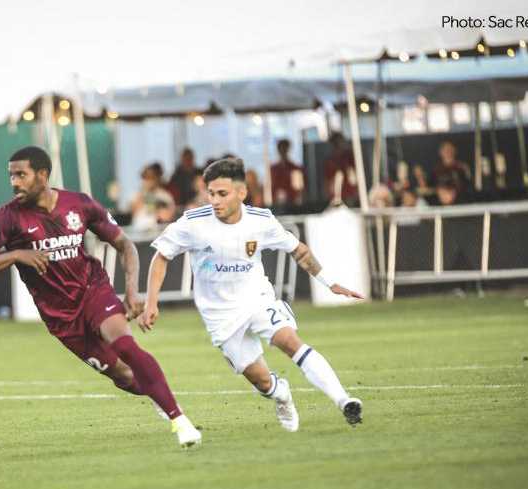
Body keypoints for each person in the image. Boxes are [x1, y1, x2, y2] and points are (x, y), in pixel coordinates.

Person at [0, 146, 202, 447]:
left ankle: (180, 421)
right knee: (124, 376)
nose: (15, 183)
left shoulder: (78, 204)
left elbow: (125, 245)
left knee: (124, 344)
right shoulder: (7, 217)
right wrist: (16, 255)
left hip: (93, 290)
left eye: (21, 175)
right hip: (61, 317)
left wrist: (131, 290)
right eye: (11, 176)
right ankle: (159, 396)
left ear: (43, 175)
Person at [139, 158, 365, 431]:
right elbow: (161, 256)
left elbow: (299, 250)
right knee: (261, 381)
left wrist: (329, 282)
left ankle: (344, 400)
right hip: (219, 314)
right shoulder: (193, 223)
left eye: (222, 194)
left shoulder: (261, 221)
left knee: (289, 340)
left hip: (256, 298)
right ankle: (281, 393)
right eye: (211, 193)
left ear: (241, 192)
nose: (215, 201)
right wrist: (151, 302)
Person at [130, 162, 176, 230]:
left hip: (157, 231)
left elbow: (169, 215)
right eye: (145, 178)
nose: (148, 181)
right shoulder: (137, 195)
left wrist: (159, 212)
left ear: (156, 178)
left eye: (151, 178)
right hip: (139, 231)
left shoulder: (164, 196)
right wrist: (142, 195)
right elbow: (133, 212)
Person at [323, 132, 358, 207]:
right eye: (335, 143)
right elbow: (327, 180)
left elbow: (353, 178)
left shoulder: (348, 157)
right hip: (335, 198)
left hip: (349, 195)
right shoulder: (330, 160)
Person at [270, 139, 305, 210]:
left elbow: (299, 189)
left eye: (284, 148)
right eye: (281, 149)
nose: (282, 151)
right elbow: (271, 187)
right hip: (276, 205)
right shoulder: (273, 169)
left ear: (288, 149)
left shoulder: (295, 168)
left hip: (292, 205)